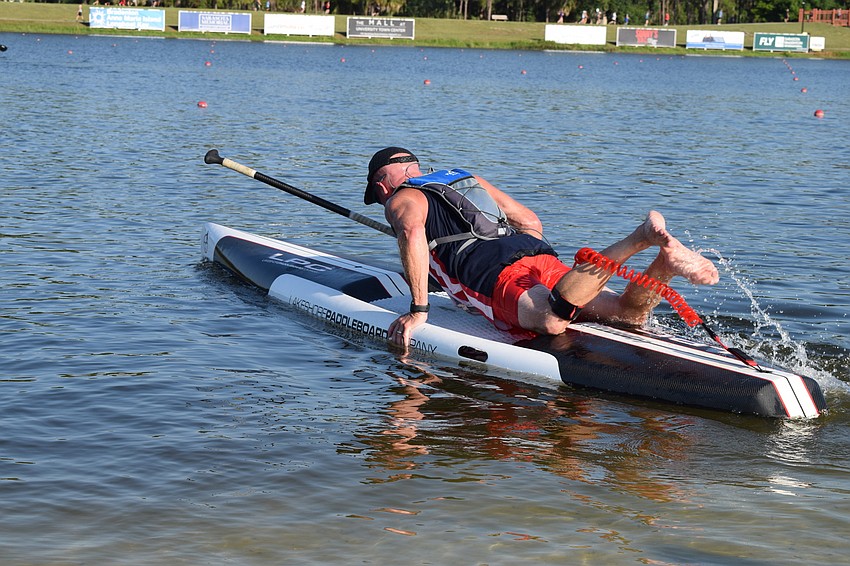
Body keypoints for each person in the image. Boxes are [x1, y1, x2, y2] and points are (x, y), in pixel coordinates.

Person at [363, 148, 720, 348]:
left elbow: (411, 234)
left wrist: (419, 310)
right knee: (629, 313)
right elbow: (530, 221)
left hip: (489, 270)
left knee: (552, 320)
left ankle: (639, 238)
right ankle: (665, 264)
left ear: (381, 186)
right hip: (534, 251)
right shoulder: (460, 177)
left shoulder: (399, 198)